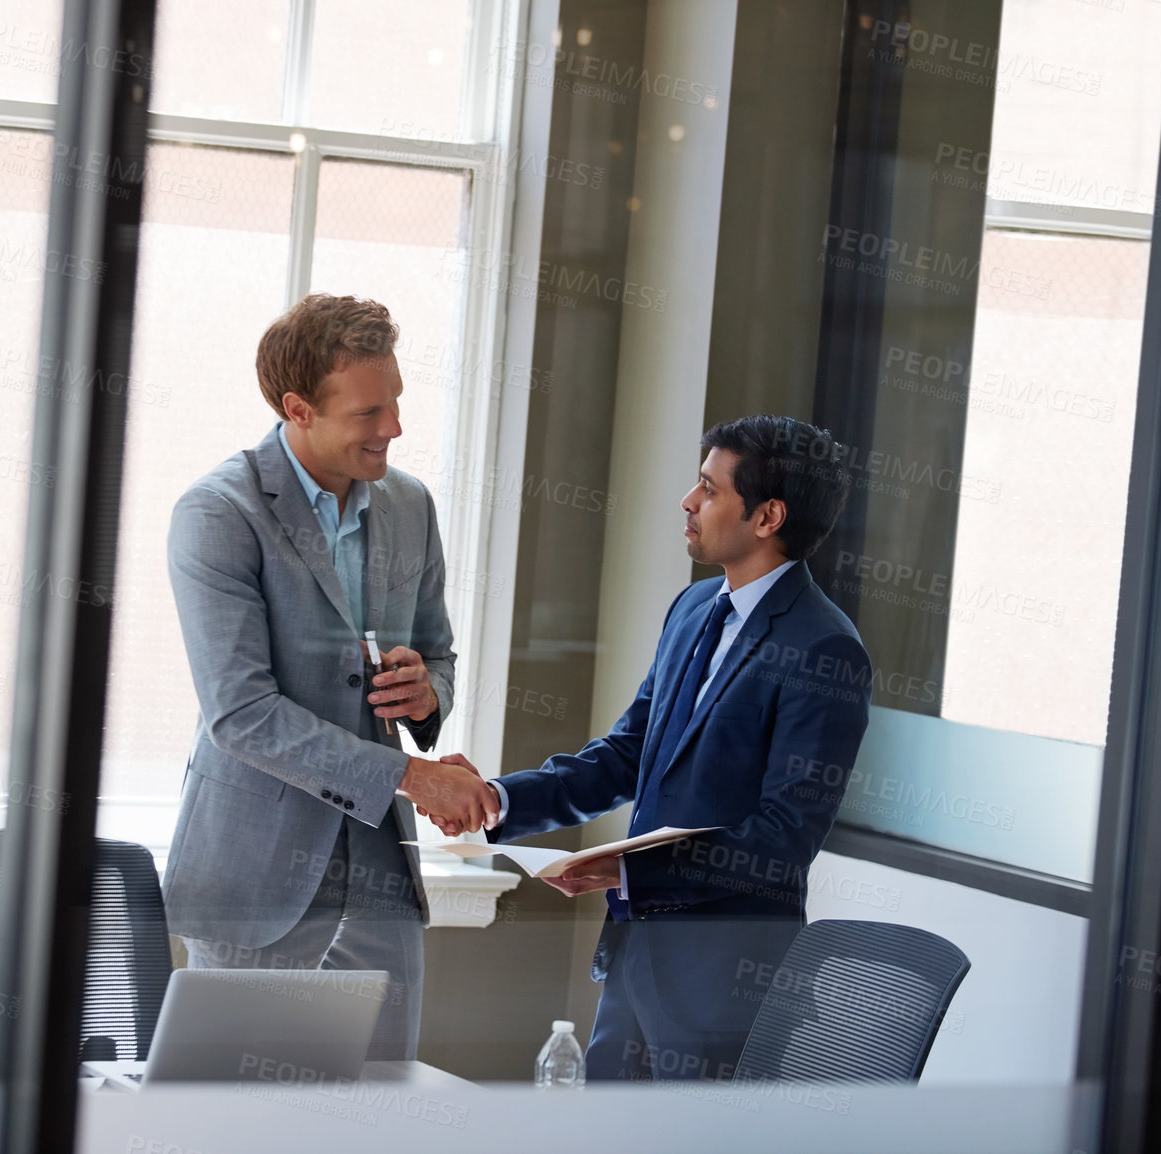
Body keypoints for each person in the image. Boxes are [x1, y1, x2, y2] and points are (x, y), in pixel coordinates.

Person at [439, 414, 871, 1081]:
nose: (688, 501)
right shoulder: (694, 609)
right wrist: (496, 800)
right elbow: (624, 756)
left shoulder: (825, 649)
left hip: (722, 987)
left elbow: (782, 841)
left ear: (768, 516)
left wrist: (635, 873)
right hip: (633, 965)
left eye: (709, 488)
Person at [162, 294, 497, 1061]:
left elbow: (438, 650)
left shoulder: (410, 505)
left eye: (398, 403)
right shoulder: (218, 513)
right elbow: (242, 714)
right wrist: (416, 777)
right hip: (256, 883)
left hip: (380, 876)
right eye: (369, 412)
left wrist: (429, 688)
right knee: (237, 1126)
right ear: (298, 407)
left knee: (382, 1118)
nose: (394, 429)